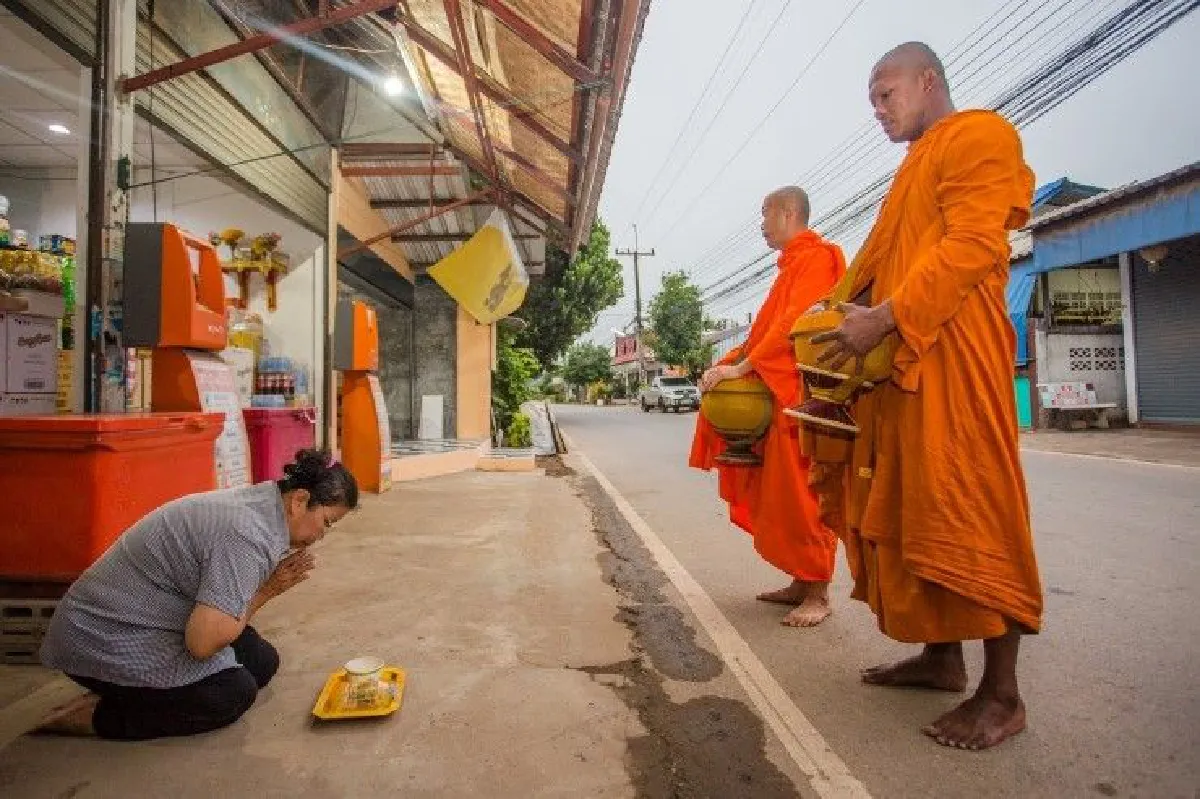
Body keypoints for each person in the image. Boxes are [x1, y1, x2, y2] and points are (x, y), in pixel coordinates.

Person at [801, 42, 1043, 750]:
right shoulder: (910, 172)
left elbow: (970, 246)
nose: (879, 111)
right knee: (914, 514)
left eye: (886, 94)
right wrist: (824, 356)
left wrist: (885, 317)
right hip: (901, 368)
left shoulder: (981, 137)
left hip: (955, 364)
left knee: (974, 509)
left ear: (927, 80)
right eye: (872, 101)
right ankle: (942, 658)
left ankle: (1003, 694)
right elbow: (871, 270)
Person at [36, 449, 358, 740]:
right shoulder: (247, 535)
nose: (322, 535)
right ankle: (101, 716)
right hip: (101, 635)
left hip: (151, 614)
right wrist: (267, 591)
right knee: (231, 694)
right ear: (299, 501)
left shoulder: (264, 504)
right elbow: (202, 643)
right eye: (326, 523)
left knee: (261, 662)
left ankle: (130, 691)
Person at [690, 186, 846, 627]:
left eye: (765, 214)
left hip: (801, 395)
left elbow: (797, 327)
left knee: (803, 492)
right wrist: (729, 362)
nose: (761, 224)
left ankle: (818, 591)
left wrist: (743, 370)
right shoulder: (790, 266)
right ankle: (800, 579)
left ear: (788, 212)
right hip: (777, 397)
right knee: (779, 493)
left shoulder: (818, 258)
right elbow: (764, 333)